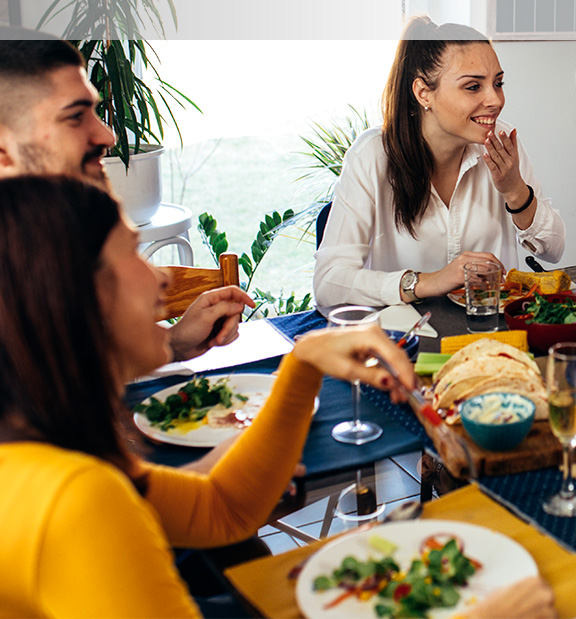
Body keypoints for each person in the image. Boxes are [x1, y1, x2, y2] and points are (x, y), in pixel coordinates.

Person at [0, 175, 417, 616]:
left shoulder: (36, 455)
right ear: (73, 295)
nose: (160, 276)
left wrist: (304, 363)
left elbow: (219, 510)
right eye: (131, 253)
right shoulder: (80, 498)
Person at [0, 36, 254, 363]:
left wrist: (173, 343)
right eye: (75, 117)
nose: (108, 136)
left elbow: (62, 375)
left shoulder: (44, 234)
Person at [313, 16, 566, 307]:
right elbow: (328, 283)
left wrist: (515, 191)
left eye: (498, 83)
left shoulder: (502, 142)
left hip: (491, 334)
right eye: (473, 87)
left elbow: (553, 249)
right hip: (406, 342)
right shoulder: (371, 156)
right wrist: (428, 281)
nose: (495, 99)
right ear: (423, 93)